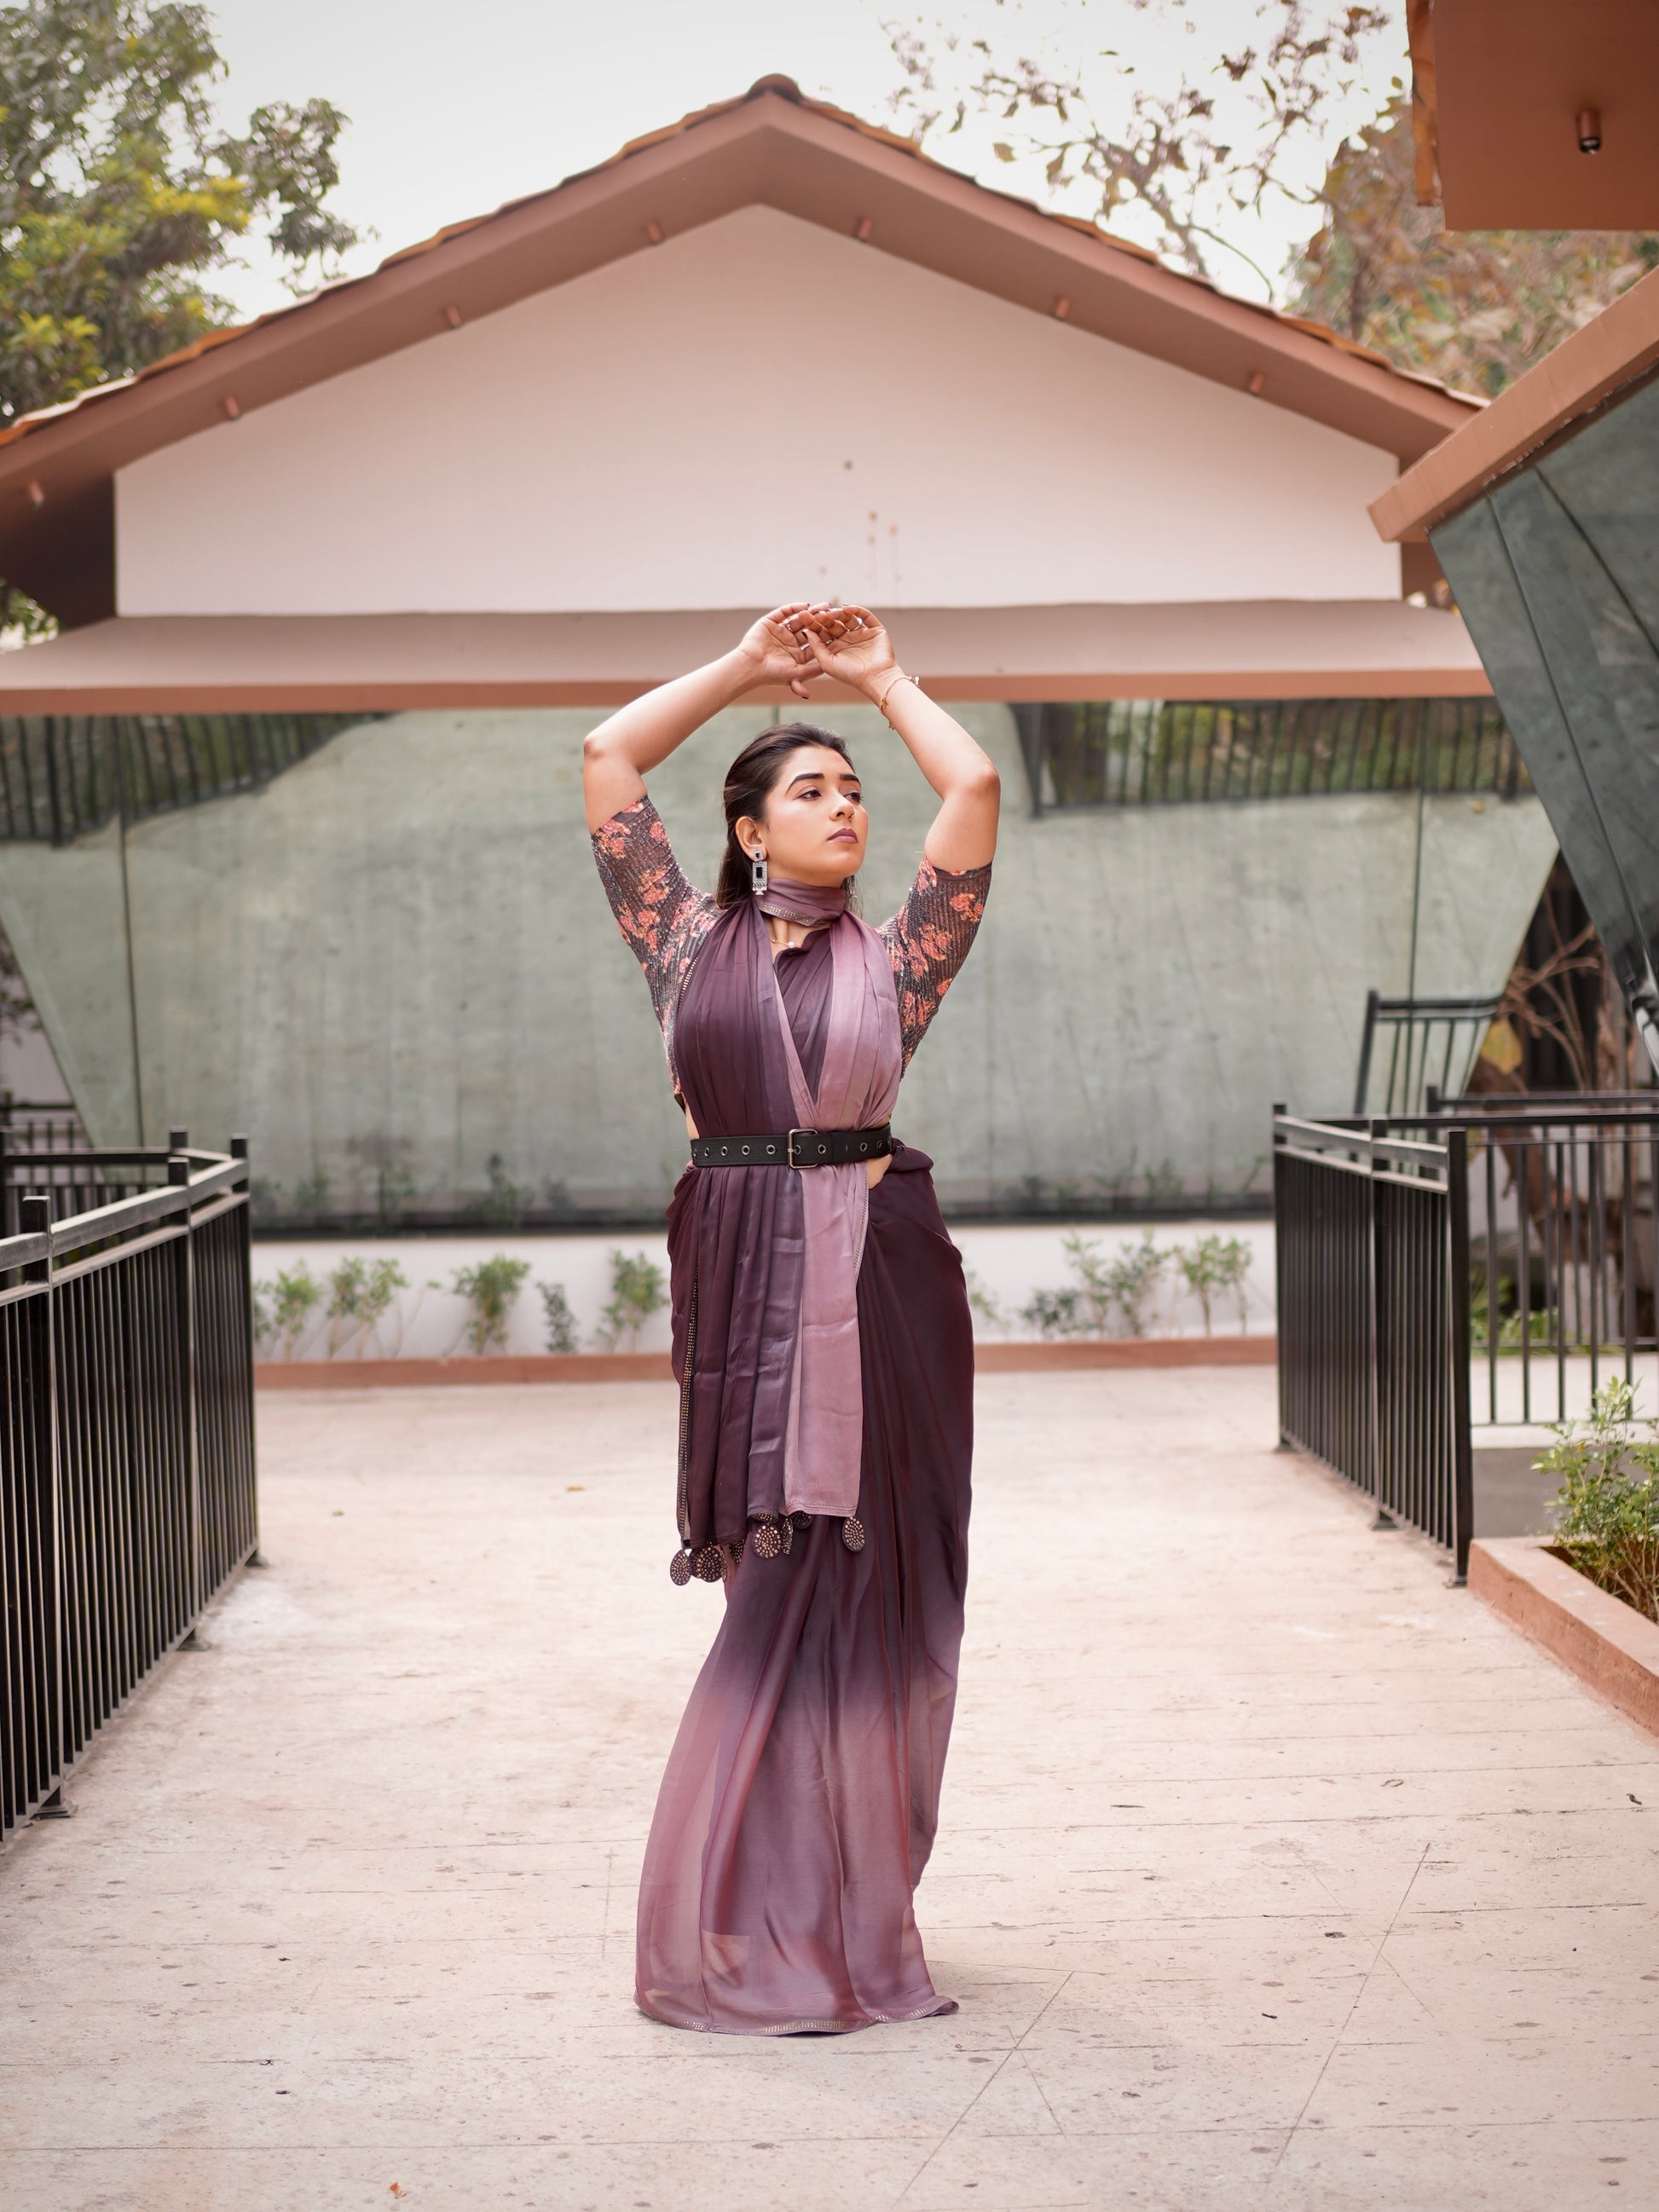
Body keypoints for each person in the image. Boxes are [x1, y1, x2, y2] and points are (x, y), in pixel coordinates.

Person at [585, 603, 999, 2036]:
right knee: (771, 1583)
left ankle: (843, 1905)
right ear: (749, 829)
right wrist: (750, 669)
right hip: (742, 1289)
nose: (844, 808)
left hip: (879, 1291)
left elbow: (971, 784)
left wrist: (883, 682)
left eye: (853, 791)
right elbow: (608, 755)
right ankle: (755, 1903)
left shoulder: (899, 959)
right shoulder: (679, 942)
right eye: (810, 789)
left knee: (867, 1582)